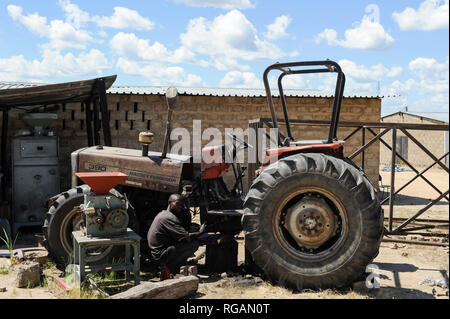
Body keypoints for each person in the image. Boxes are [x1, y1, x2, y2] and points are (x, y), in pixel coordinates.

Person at [147, 194, 206, 280]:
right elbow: (187, 238)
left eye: (182, 205)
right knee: (194, 244)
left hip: (158, 251)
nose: (180, 207)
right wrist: (201, 232)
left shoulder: (164, 214)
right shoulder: (169, 218)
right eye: (177, 204)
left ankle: (175, 263)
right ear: (170, 203)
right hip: (159, 255)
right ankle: (172, 266)